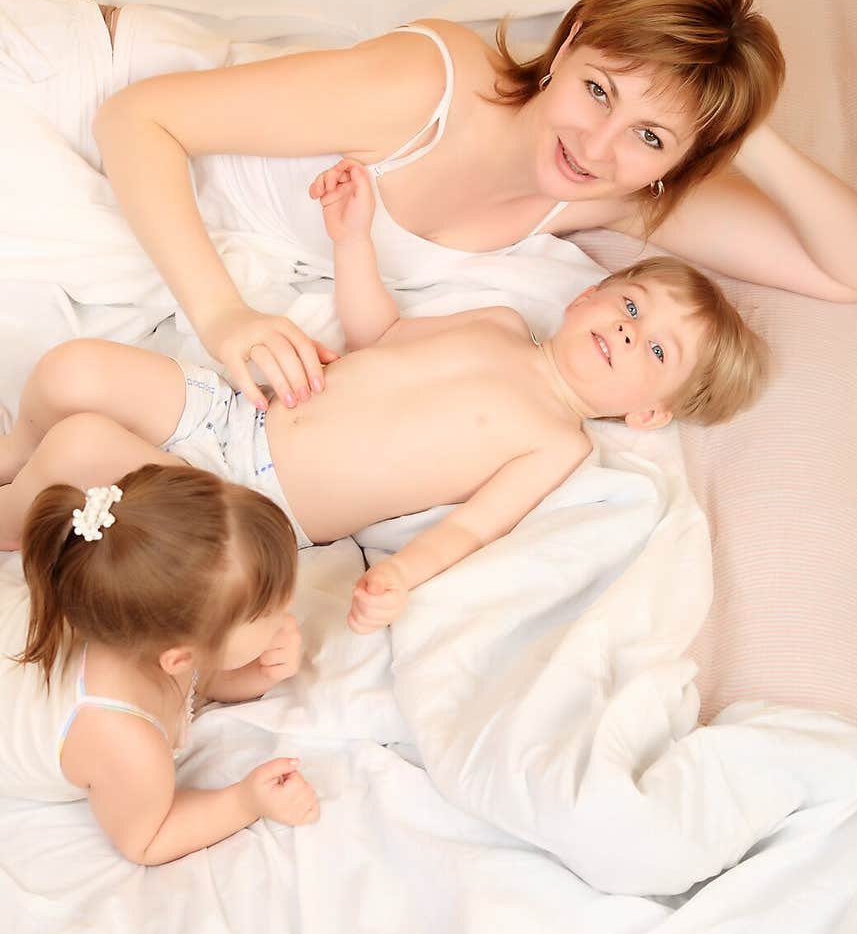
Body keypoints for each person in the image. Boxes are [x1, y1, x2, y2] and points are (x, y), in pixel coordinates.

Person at [92, 0, 857, 414]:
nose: (595, 146)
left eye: (650, 135)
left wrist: (739, 129)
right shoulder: (427, 88)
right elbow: (136, 120)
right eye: (599, 88)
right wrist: (225, 316)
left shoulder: (617, 190)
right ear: (570, 38)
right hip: (107, 133)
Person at [0, 158, 767, 632]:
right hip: (243, 406)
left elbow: (472, 529)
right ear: (587, 297)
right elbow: (380, 336)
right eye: (631, 307)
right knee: (73, 371)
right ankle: (18, 454)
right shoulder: (498, 323)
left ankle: (10, 516)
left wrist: (402, 575)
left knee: (82, 449)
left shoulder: (558, 445)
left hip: (256, 496)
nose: (631, 333)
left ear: (648, 412)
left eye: (656, 348)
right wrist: (351, 241)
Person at [0, 462, 318, 864]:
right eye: (267, 611)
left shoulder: (135, 618)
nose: (288, 606)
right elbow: (146, 840)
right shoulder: (126, 740)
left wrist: (259, 670)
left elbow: (198, 683)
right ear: (179, 656)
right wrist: (245, 801)